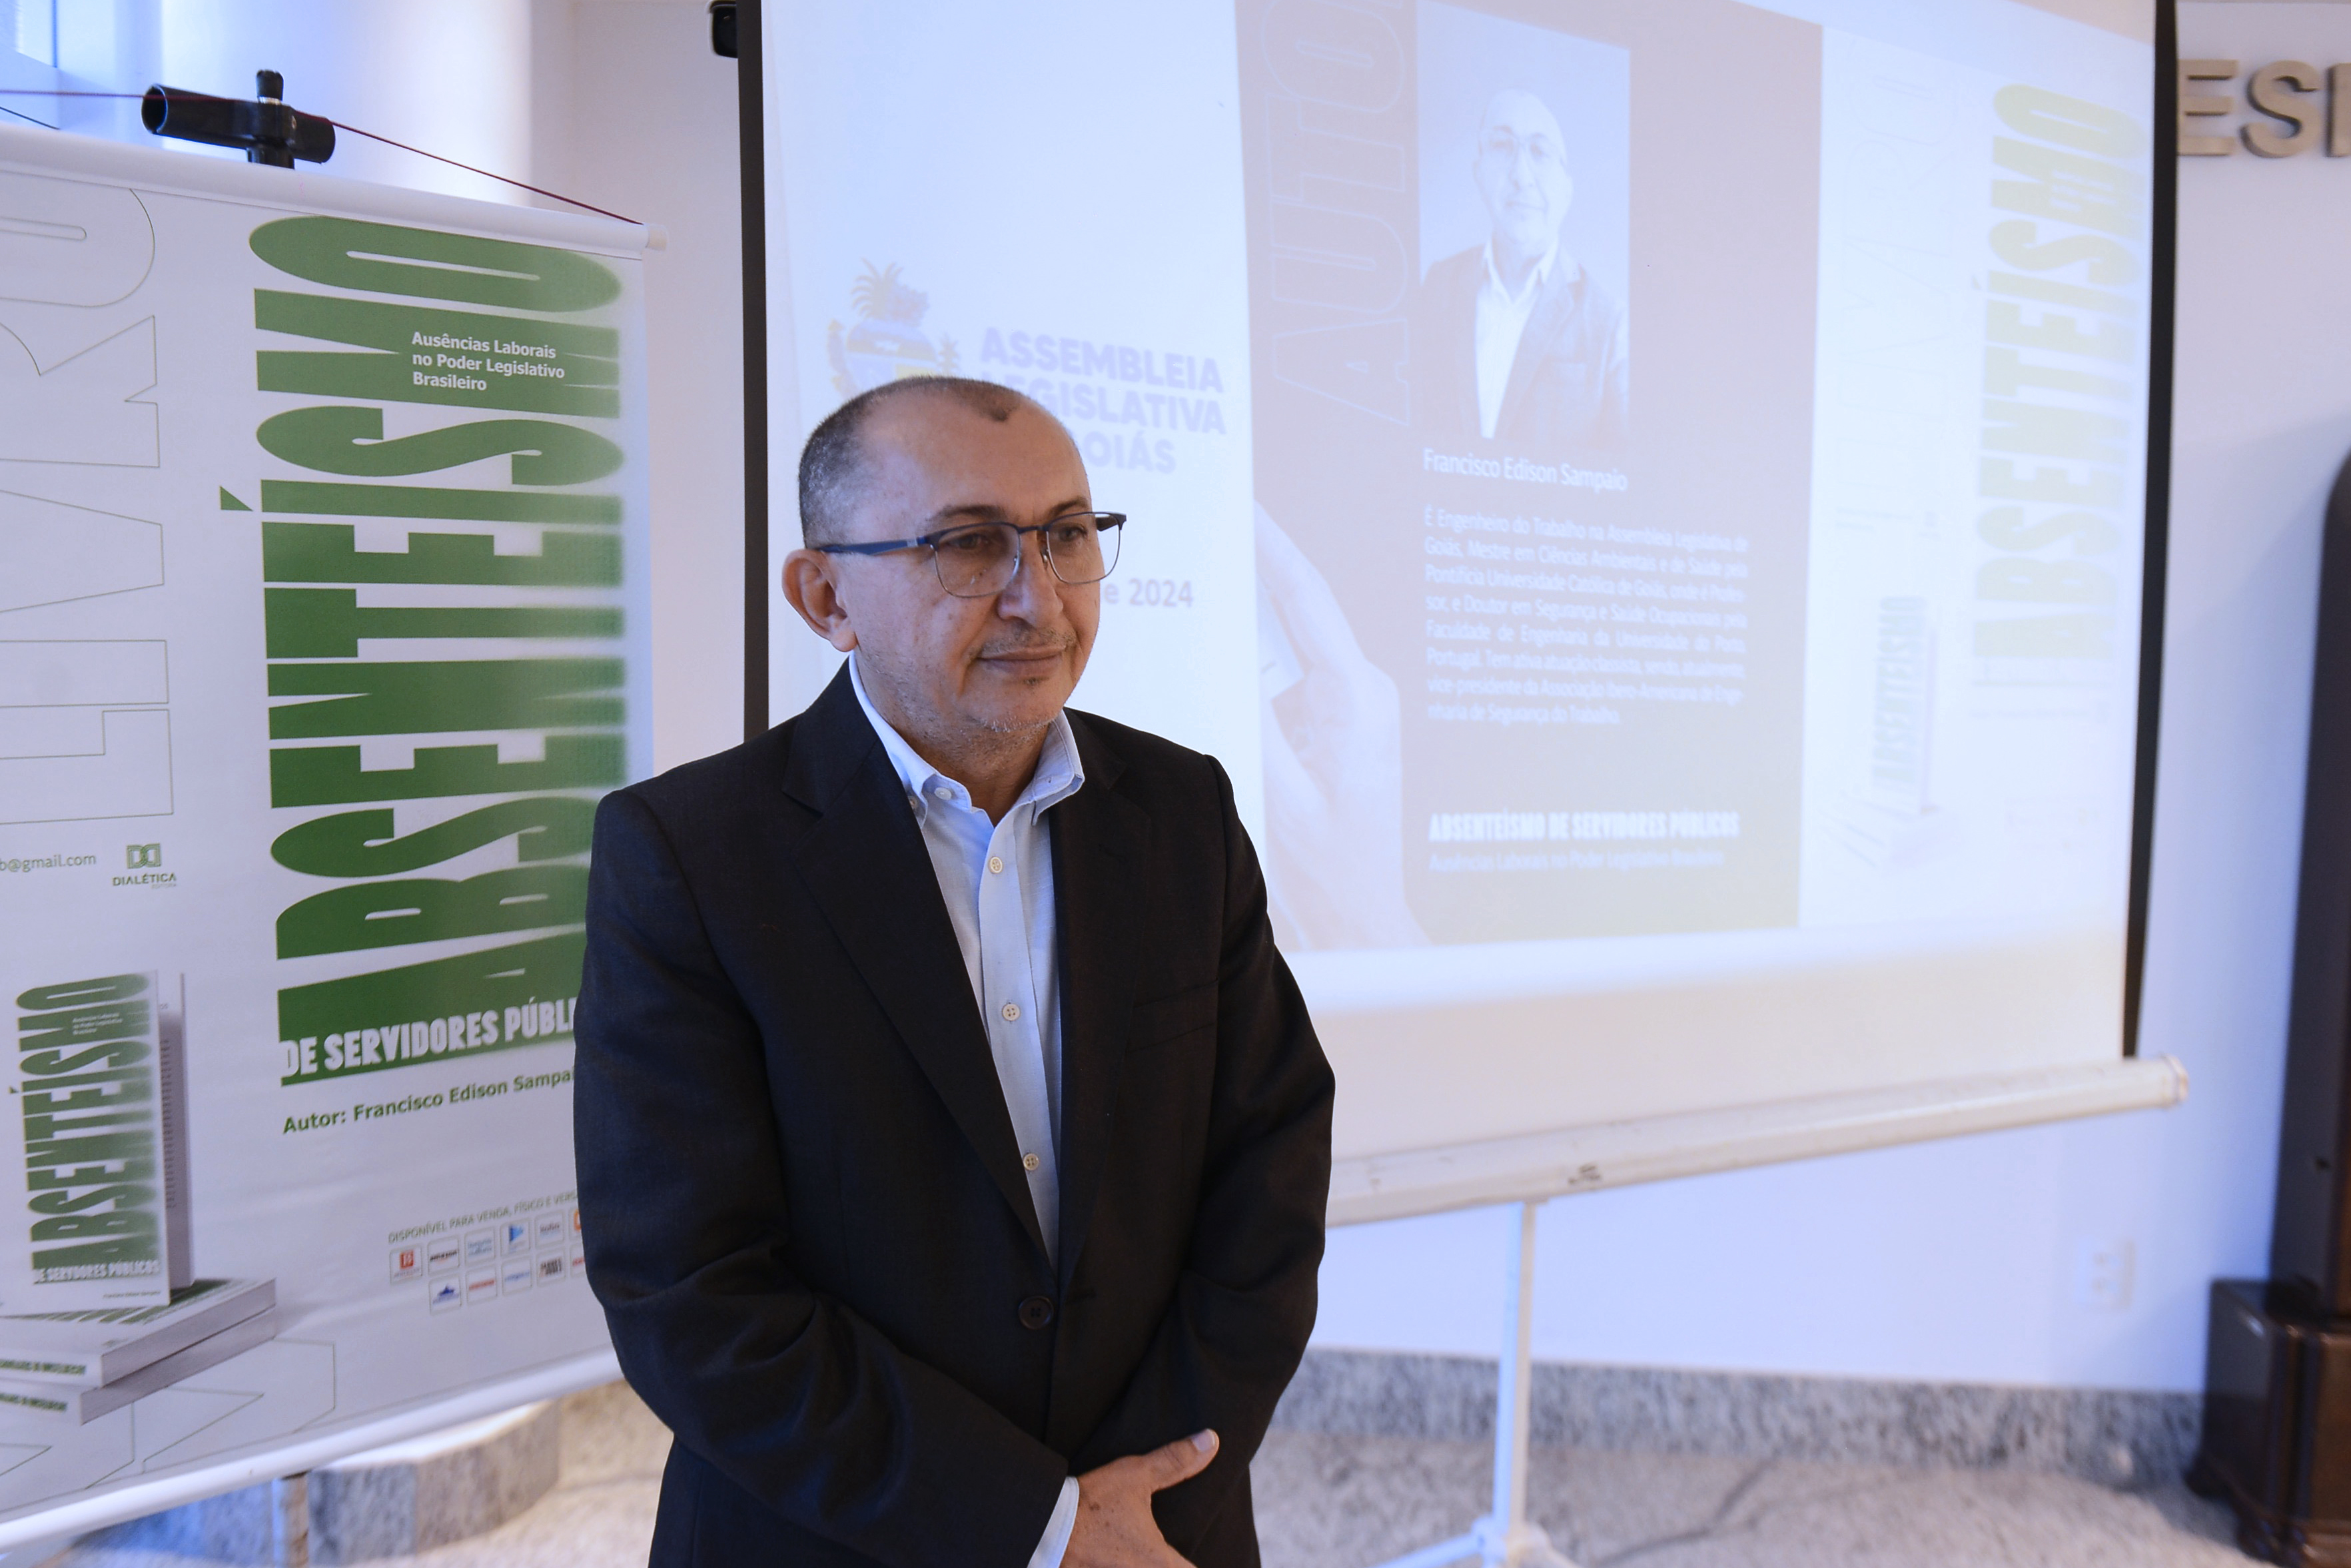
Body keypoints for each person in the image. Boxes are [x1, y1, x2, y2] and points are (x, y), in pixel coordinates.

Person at [574, 376, 1334, 1568]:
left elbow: (1268, 1173)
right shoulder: (689, 854)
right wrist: (1041, 1524)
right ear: (826, 596)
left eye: (1067, 535)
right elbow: (691, 1290)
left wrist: (1136, 1502)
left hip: (1154, 1528)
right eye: (969, 545)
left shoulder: (1181, 808)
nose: (1040, 596)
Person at [1414, 87, 1628, 450]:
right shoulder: (1438, 287)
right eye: (1502, 146)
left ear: (1567, 189)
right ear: (1478, 172)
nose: (1521, 175)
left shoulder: (1609, 324)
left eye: (1540, 152)